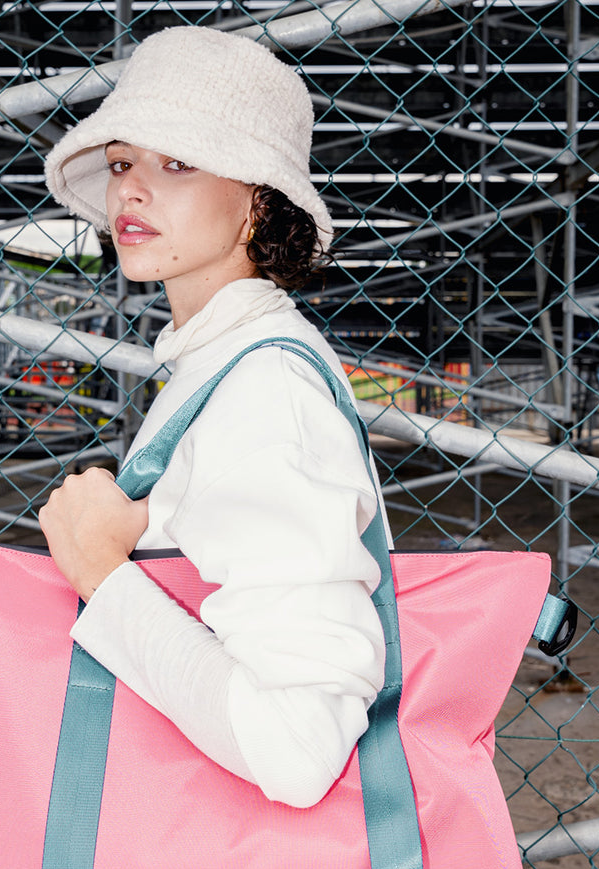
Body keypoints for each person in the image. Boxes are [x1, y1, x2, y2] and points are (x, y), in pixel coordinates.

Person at [40, 25, 391, 809]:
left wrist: (101, 574)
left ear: (256, 204)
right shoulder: (225, 362)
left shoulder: (263, 389)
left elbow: (299, 747)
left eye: (177, 163)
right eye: (125, 162)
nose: (129, 187)